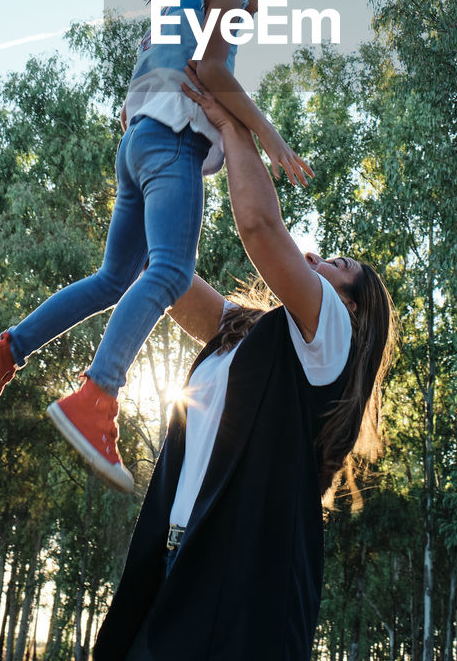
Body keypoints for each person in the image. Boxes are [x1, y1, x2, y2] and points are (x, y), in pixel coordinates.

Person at [0, 0, 312, 492]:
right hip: (173, 145)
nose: (255, 14)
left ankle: (0, 356)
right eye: (261, 1)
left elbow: (149, 85)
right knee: (169, 271)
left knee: (114, 279)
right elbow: (212, 71)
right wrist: (268, 135)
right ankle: (97, 397)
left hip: (138, 145)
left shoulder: (176, 2)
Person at [92, 64, 397, 661]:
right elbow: (163, 269)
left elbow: (259, 226)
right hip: (175, 569)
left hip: (240, 600)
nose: (315, 256)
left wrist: (232, 124)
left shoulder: (331, 333)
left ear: (356, 310)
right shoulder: (249, 334)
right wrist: (151, 150)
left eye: (335, 265)